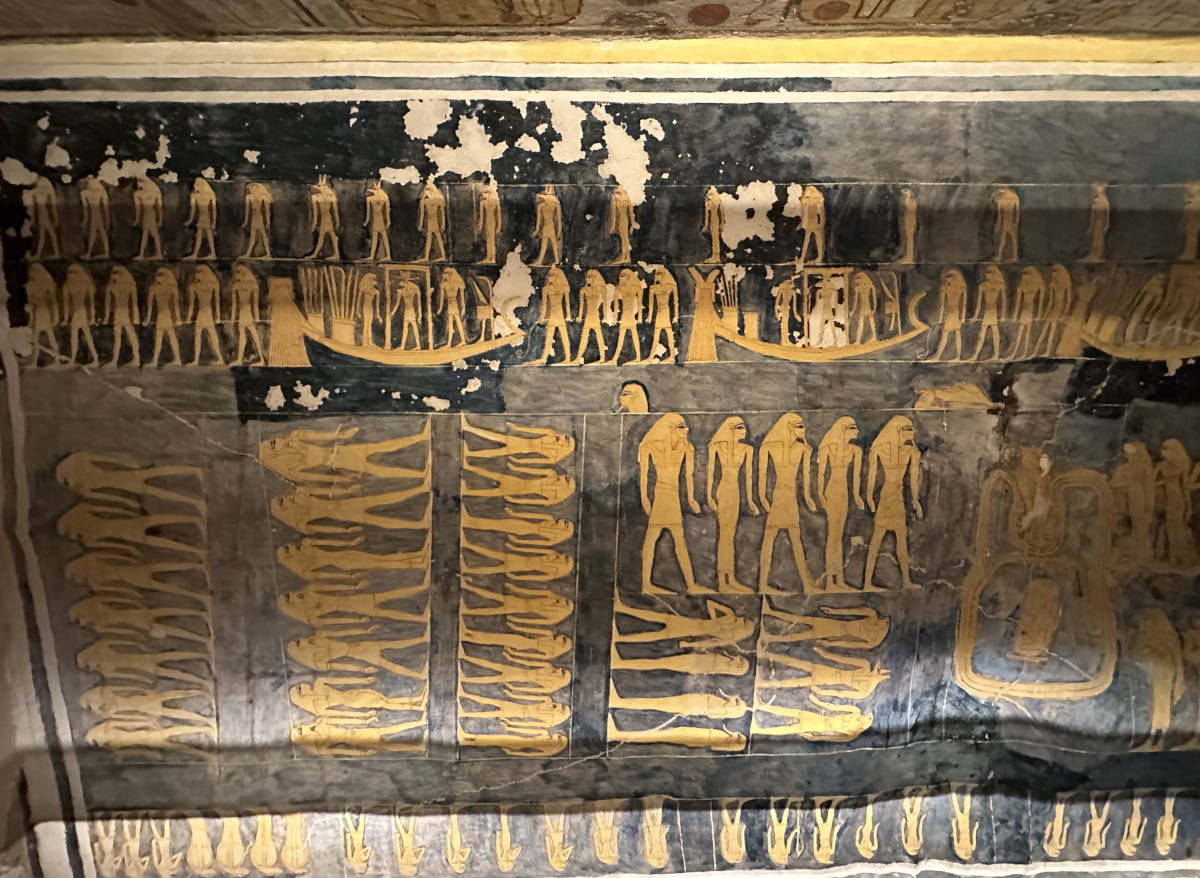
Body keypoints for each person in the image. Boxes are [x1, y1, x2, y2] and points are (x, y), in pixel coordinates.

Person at [640, 414, 703, 595]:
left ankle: (690, 584)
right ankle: (646, 584)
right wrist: (644, 498)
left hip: (673, 497)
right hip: (661, 495)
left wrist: (691, 499)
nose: (686, 430)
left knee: (679, 541)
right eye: (681, 427)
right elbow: (644, 474)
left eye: (685, 427)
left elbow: (688, 476)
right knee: (652, 539)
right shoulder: (651, 447)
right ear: (671, 429)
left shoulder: (686, 448)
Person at [758, 413, 817, 594]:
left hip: (790, 498)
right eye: (799, 426)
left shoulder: (803, 449)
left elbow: (806, 477)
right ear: (789, 427)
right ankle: (762, 584)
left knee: (795, 541)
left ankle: (806, 583)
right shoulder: (769, 447)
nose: (804, 429)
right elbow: (762, 476)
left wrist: (808, 498)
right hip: (779, 497)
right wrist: (762, 498)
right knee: (769, 540)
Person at [863, 416, 923, 590]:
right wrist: (868, 497)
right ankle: (867, 583)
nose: (912, 432)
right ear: (899, 431)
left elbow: (913, 478)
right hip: (887, 497)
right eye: (909, 429)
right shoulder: (881, 448)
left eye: (912, 429)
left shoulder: (912, 452)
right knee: (877, 540)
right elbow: (872, 475)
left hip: (897, 498)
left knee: (901, 540)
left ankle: (906, 580)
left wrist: (916, 500)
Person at [707, 417, 759, 593]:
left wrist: (750, 500)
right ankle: (723, 580)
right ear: (731, 429)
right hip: (723, 491)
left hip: (735, 492)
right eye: (740, 428)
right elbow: (710, 472)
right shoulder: (717, 447)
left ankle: (730, 578)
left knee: (730, 535)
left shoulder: (747, 449)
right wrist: (709, 496)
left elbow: (748, 477)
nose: (745, 431)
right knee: (724, 535)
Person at [817, 417, 863, 591]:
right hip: (832, 492)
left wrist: (857, 496)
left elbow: (856, 476)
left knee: (839, 536)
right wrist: (821, 495)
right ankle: (830, 580)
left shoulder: (855, 450)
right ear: (844, 430)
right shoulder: (828, 448)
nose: (857, 431)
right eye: (853, 428)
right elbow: (821, 474)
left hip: (844, 494)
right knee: (833, 537)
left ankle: (840, 579)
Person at [184, 265, 224, 366]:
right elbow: (192, 304)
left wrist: (218, 317)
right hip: (201, 313)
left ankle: (220, 358)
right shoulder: (193, 286)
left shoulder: (213, 284)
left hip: (207, 313)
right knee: (199, 335)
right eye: (196, 273)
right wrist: (188, 317)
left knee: (212, 335)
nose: (197, 275)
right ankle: (196, 359)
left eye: (199, 273)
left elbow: (217, 302)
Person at [534, 267, 573, 365]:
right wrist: (541, 317)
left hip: (559, 314)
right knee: (549, 337)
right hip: (553, 314)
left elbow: (567, 303)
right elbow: (544, 305)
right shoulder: (546, 289)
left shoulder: (563, 288)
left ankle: (568, 357)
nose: (549, 278)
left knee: (564, 335)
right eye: (549, 276)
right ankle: (544, 358)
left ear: (557, 277)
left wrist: (568, 315)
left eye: (552, 276)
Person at [144, 267, 182, 366]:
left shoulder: (171, 288)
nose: (157, 278)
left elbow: (175, 306)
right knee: (164, 337)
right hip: (161, 316)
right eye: (157, 276)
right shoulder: (153, 288)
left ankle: (172, 359)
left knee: (165, 337)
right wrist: (147, 319)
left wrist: (178, 319)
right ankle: (158, 360)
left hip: (166, 315)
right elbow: (150, 306)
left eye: (160, 276)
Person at [104, 266, 141, 368]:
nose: (113, 277)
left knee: (129, 335)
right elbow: (107, 305)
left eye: (115, 274)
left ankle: (136, 359)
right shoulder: (111, 286)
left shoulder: (129, 285)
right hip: (119, 313)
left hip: (124, 313)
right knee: (120, 337)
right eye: (112, 274)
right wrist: (106, 317)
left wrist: (136, 316)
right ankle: (116, 360)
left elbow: (134, 303)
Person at [62, 263, 99, 366]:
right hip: (79, 314)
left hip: (80, 313)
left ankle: (91, 358)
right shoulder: (70, 286)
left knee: (81, 337)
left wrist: (92, 316)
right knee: (80, 337)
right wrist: (66, 318)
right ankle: (87, 358)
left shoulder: (72, 285)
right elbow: (66, 305)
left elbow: (91, 303)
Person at [969, 265, 1007, 362]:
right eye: (986, 272)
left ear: (994, 273)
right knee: (982, 335)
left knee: (995, 334)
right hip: (987, 312)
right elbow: (979, 302)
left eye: (988, 272)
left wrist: (1003, 315)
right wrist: (976, 316)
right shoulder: (983, 285)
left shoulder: (1000, 285)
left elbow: (1004, 301)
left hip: (993, 312)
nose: (986, 274)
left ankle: (996, 354)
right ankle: (976, 355)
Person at [24, 263, 60, 367]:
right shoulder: (43, 284)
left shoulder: (30, 286)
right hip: (43, 312)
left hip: (39, 313)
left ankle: (36, 361)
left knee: (38, 338)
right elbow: (53, 302)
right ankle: (56, 360)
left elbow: (31, 304)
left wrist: (30, 319)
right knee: (49, 337)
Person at [230, 263, 265, 365]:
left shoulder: (252, 285)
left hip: (248, 313)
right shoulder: (236, 285)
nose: (236, 275)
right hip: (242, 313)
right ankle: (240, 359)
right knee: (244, 336)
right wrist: (233, 317)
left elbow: (255, 304)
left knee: (253, 335)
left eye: (238, 273)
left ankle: (261, 359)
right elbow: (234, 304)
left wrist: (256, 317)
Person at [571, 269, 608, 364]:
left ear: (594, 278)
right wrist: (580, 316)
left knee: (599, 336)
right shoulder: (584, 290)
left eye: (589, 277)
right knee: (584, 336)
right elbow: (582, 305)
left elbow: (604, 304)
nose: (587, 279)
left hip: (595, 315)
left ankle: (603, 357)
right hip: (588, 316)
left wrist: (605, 316)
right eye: (586, 277)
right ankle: (578, 357)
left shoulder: (600, 289)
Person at [608, 269, 644, 365]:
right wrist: (615, 318)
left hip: (631, 315)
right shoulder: (618, 288)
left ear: (628, 276)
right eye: (620, 276)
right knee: (622, 337)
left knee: (633, 335)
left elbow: (639, 304)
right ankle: (615, 358)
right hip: (625, 315)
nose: (620, 278)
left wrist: (639, 317)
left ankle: (638, 357)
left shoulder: (636, 287)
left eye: (622, 276)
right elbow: (616, 305)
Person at [645, 267, 678, 361]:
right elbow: (651, 304)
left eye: (659, 275)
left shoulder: (670, 286)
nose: (657, 277)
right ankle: (651, 357)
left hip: (666, 312)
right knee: (657, 335)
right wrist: (649, 316)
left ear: (664, 276)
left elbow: (676, 302)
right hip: (660, 313)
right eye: (656, 275)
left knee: (668, 333)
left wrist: (676, 316)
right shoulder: (653, 288)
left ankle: (672, 356)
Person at [307, 176, 340, 260]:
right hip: (329, 220)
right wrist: (337, 222)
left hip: (325, 220)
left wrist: (314, 225)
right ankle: (336, 254)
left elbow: (315, 214)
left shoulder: (315, 197)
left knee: (323, 237)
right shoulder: (331, 196)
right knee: (331, 236)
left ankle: (316, 254)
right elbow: (335, 212)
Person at [186, 178, 218, 260]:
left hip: (206, 218)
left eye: (197, 184)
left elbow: (214, 210)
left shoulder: (210, 194)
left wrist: (214, 221)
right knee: (200, 236)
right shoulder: (194, 195)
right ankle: (196, 254)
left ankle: (212, 254)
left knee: (208, 235)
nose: (195, 186)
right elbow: (193, 210)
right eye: (195, 184)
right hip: (201, 218)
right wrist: (190, 220)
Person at [133, 177, 164, 260]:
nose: (139, 184)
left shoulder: (152, 192)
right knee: (146, 234)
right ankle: (143, 254)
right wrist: (137, 219)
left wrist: (160, 219)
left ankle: (157, 254)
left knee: (152, 234)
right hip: (147, 216)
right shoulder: (138, 194)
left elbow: (159, 208)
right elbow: (138, 208)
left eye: (140, 182)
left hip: (151, 216)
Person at [80, 176, 110, 259]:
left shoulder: (84, 193)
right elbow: (105, 208)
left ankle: (90, 253)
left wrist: (85, 220)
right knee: (101, 232)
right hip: (98, 215)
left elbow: (85, 208)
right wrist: (107, 219)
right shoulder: (100, 192)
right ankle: (105, 253)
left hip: (95, 216)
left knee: (96, 232)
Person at [436, 267, 467, 348]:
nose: (443, 276)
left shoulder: (457, 284)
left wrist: (463, 307)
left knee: (457, 322)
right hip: (451, 305)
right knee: (451, 324)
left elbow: (462, 298)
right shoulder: (443, 285)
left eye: (444, 274)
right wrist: (440, 308)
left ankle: (462, 341)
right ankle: (450, 343)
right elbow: (442, 298)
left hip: (454, 305)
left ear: (449, 274)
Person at [418, 179, 447, 262]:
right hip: (430, 221)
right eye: (425, 189)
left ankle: (443, 255)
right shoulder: (423, 201)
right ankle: (427, 256)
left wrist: (443, 224)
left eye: (428, 189)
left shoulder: (438, 200)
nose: (426, 191)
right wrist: (421, 224)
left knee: (438, 238)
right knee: (429, 238)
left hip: (435, 221)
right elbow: (422, 215)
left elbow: (442, 214)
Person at [533, 184, 562, 265]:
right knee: (547, 243)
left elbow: (558, 219)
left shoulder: (555, 205)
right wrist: (537, 230)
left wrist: (559, 230)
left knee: (550, 243)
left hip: (550, 226)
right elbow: (539, 220)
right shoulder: (540, 206)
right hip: (547, 226)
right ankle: (542, 260)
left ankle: (553, 260)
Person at [242, 182, 273, 258]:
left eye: (255, 188)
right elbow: (247, 211)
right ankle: (248, 254)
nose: (253, 190)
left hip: (260, 217)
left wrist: (268, 222)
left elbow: (267, 211)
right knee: (253, 236)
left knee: (263, 235)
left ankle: (268, 253)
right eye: (252, 189)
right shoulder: (249, 197)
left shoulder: (262, 197)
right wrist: (246, 221)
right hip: (254, 218)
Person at [363, 179, 391, 261]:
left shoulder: (371, 198)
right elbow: (387, 211)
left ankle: (385, 256)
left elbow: (369, 213)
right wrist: (388, 220)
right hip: (379, 220)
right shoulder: (383, 197)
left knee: (378, 238)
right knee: (381, 238)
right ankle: (376, 255)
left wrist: (366, 221)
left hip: (378, 220)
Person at [798, 184, 826, 264]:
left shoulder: (816, 201)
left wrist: (821, 223)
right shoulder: (806, 202)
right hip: (810, 223)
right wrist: (801, 223)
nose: (806, 191)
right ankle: (803, 258)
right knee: (809, 240)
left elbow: (821, 213)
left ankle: (817, 257)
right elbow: (803, 214)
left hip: (815, 223)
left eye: (808, 190)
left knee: (816, 240)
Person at [992, 186, 1020, 262]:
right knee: (1013, 239)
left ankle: (1000, 256)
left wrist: (999, 225)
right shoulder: (1015, 198)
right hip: (1011, 222)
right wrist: (1015, 222)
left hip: (1006, 222)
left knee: (1003, 239)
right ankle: (1014, 256)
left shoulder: (1001, 200)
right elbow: (1017, 214)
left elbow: (1000, 216)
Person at [477, 181, 502, 265]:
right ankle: (488, 257)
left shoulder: (495, 201)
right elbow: (481, 217)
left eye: (486, 192)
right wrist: (480, 226)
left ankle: (493, 258)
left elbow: (498, 215)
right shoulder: (483, 202)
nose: (484, 194)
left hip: (492, 222)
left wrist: (499, 226)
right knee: (488, 239)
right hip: (488, 222)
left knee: (491, 240)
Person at [1084, 183, 1109, 263]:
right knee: (1094, 240)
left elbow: (1107, 213)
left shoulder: (1104, 200)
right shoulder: (1095, 200)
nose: (1097, 189)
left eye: (1099, 187)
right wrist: (1091, 226)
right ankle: (1093, 255)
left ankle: (1098, 256)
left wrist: (1106, 225)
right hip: (1096, 224)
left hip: (1101, 224)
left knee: (1100, 241)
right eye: (1096, 187)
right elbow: (1093, 215)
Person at [609, 185, 635, 264]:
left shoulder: (616, 201)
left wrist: (613, 226)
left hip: (621, 221)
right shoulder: (627, 200)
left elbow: (614, 216)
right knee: (625, 239)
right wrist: (632, 224)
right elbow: (631, 215)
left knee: (624, 239)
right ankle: (625, 256)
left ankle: (626, 257)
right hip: (625, 221)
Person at [701, 186, 723, 264]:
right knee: (713, 240)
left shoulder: (717, 199)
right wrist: (705, 226)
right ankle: (714, 256)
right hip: (711, 222)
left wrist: (721, 224)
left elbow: (722, 214)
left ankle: (717, 257)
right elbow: (707, 215)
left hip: (716, 221)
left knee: (715, 239)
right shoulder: (707, 201)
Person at [897, 187, 917, 265]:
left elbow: (911, 211)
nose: (903, 193)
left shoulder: (912, 202)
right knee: (907, 240)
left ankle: (910, 258)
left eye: (906, 191)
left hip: (911, 224)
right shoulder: (906, 201)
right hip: (907, 223)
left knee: (910, 241)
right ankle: (907, 256)